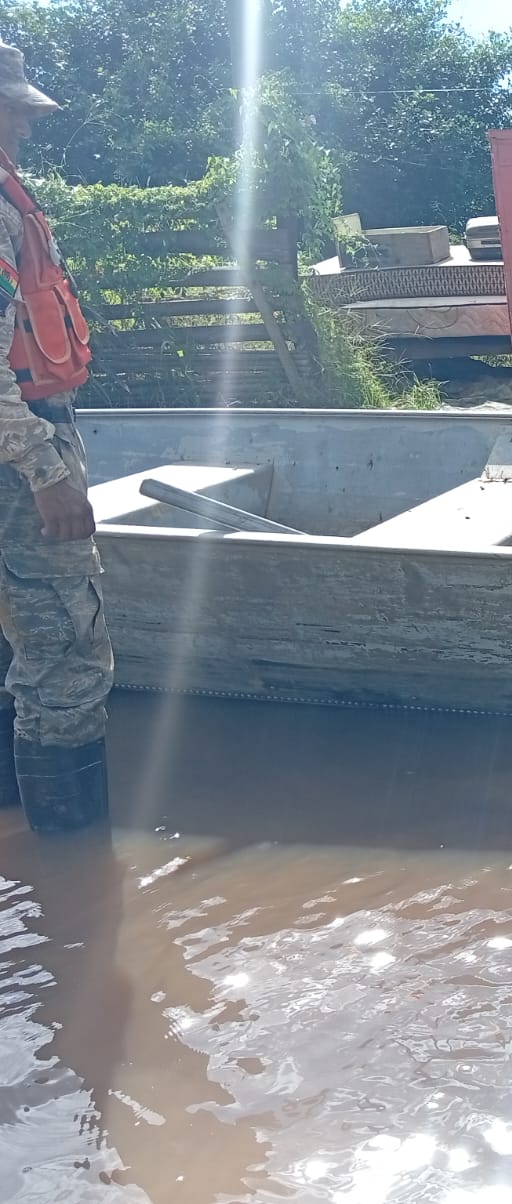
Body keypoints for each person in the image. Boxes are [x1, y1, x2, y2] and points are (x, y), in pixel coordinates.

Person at [0, 39, 112, 832]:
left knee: (17, 646)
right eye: (14, 112)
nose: (27, 128)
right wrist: (44, 468)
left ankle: (25, 876)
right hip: (17, 457)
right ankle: (74, 873)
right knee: (66, 658)